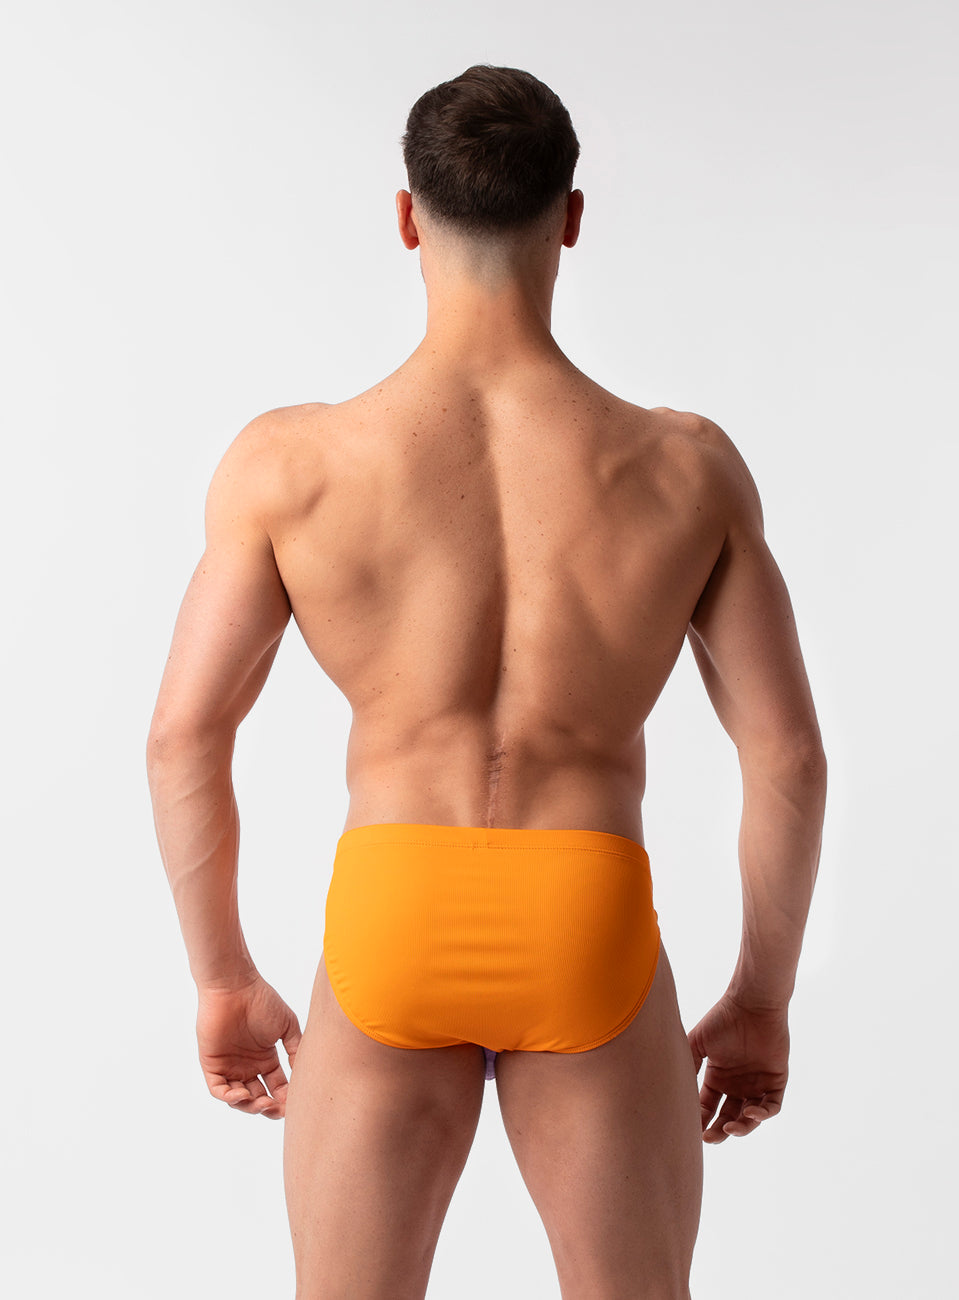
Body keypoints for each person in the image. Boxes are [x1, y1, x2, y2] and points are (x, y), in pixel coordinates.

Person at [146, 64, 826, 1300]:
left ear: (407, 217)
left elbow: (184, 737)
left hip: (393, 904)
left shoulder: (291, 464)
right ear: (571, 217)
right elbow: (787, 758)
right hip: (587, 909)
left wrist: (224, 978)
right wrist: (760, 1000)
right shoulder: (685, 469)